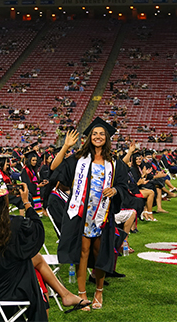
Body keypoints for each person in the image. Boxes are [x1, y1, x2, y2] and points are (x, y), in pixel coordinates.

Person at [0, 174, 90, 320]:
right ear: (2, 200)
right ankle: (64, 296)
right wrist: (27, 202)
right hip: (14, 288)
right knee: (34, 270)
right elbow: (37, 235)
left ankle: (65, 294)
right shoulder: (13, 225)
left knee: (35, 259)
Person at [50, 117, 128, 310]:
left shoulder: (115, 162)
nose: (98, 136)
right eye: (95, 133)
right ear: (89, 137)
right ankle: (82, 294)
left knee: (99, 253)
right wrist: (65, 146)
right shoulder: (78, 160)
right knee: (82, 253)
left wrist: (115, 191)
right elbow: (54, 168)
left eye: (102, 134)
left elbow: (123, 185)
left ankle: (99, 291)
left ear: (107, 137)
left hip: (103, 215)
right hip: (81, 215)